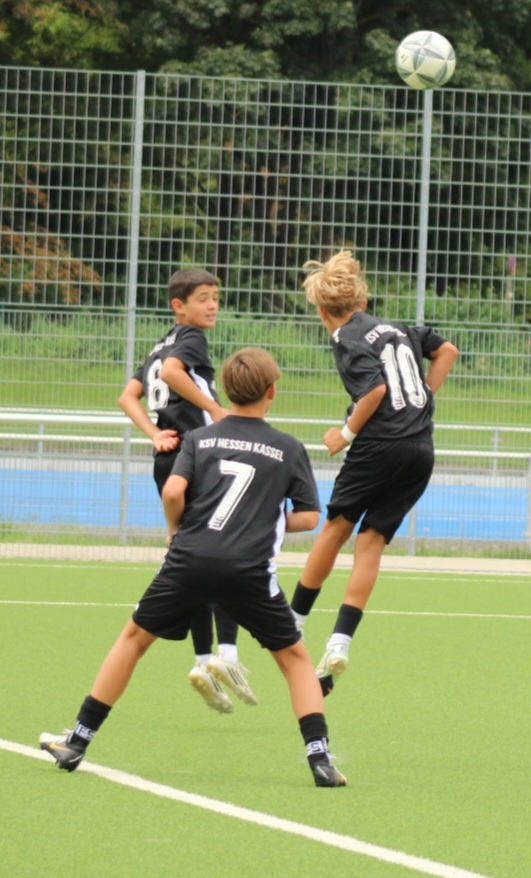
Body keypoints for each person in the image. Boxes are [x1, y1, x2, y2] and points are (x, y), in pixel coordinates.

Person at [41, 348, 346, 787]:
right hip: (248, 570)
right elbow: (310, 518)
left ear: (226, 391)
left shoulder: (200, 439)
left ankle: (77, 740)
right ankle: (319, 758)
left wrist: (174, 530)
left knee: (133, 640)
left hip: (189, 559)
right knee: (294, 659)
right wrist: (264, 517)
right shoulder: (288, 448)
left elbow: (173, 493)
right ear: (272, 391)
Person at [288, 251, 458, 693]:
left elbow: (375, 390)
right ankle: (340, 642)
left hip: (379, 445)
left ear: (323, 312)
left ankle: (293, 621)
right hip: (420, 449)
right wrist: (424, 395)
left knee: (335, 529)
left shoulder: (345, 337)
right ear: (363, 302)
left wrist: (344, 434)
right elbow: (447, 350)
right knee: (372, 542)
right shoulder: (398, 328)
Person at [116, 268, 251, 713]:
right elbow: (174, 373)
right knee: (225, 549)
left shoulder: (160, 344)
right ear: (179, 306)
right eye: (204, 298)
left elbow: (127, 397)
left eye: (216, 297)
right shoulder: (189, 338)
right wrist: (215, 409)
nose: (213, 305)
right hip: (198, 455)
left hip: (167, 458)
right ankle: (227, 655)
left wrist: (154, 433)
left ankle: (201, 660)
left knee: (191, 555)